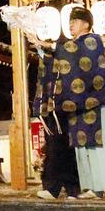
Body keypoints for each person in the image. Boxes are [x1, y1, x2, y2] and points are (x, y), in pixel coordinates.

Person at [33, 7, 105, 199]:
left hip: (96, 101)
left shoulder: (92, 41)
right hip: (79, 104)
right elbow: (62, 59)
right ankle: (90, 186)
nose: (71, 25)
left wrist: (47, 44)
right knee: (82, 149)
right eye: (70, 22)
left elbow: (73, 51)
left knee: (100, 147)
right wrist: (43, 49)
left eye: (74, 21)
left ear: (86, 24)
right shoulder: (72, 46)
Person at [32, 40, 80, 201]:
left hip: (61, 108)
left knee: (63, 148)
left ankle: (69, 187)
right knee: (54, 148)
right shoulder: (46, 64)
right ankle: (57, 187)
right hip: (50, 109)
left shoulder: (64, 59)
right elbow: (42, 87)